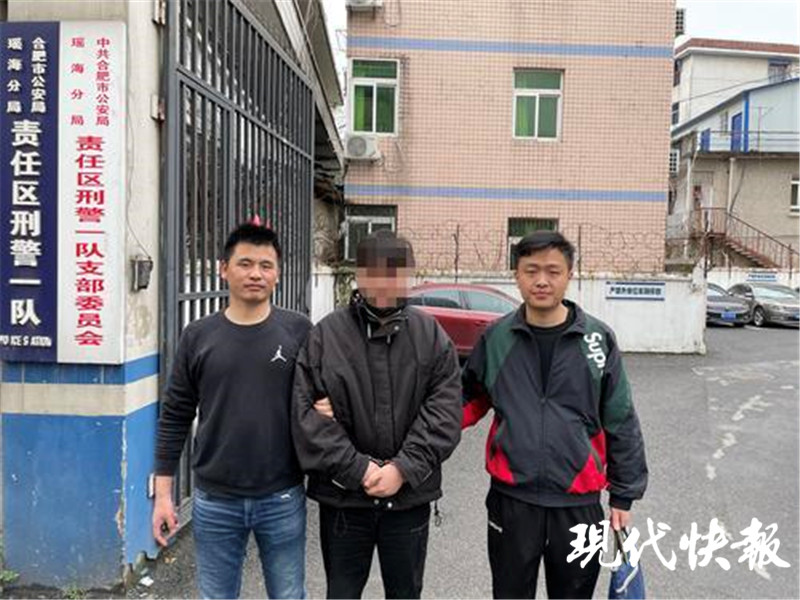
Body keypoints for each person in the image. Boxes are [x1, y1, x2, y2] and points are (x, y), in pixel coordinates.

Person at [462, 230, 648, 599]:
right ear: (516, 275)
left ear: (569, 275)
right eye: (531, 271)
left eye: (552, 271)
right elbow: (465, 402)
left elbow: (620, 417)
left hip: (578, 503)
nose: (542, 281)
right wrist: (411, 443)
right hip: (511, 500)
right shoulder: (497, 338)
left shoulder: (596, 340)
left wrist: (623, 495)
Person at [292, 231, 462, 599]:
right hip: (344, 499)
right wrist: (359, 469)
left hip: (408, 498)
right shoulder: (326, 336)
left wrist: (402, 469)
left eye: (395, 272)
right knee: (341, 592)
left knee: (405, 593)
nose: (385, 282)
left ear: (410, 275)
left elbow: (444, 412)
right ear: (359, 274)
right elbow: (307, 415)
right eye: (374, 272)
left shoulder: (430, 336)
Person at [152, 223, 311, 599]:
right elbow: (175, 415)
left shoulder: (299, 331)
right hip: (216, 499)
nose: (256, 274)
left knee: (289, 595)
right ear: (224, 269)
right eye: (245, 263)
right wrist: (163, 495)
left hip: (282, 495)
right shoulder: (198, 336)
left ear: (278, 273)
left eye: (266, 265)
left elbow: (322, 396)